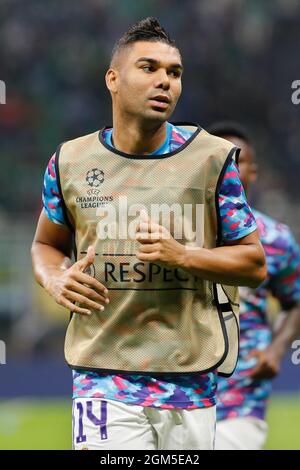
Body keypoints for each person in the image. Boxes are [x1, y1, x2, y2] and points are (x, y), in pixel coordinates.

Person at [31, 18, 266, 450]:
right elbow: (46, 244)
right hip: (102, 374)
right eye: (149, 68)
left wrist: (184, 256)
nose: (165, 82)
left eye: (174, 73)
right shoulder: (70, 161)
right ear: (113, 79)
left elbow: (253, 264)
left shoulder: (211, 158)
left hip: (189, 378)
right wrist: (55, 277)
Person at [208, 121, 300, 450]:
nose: (228, 167)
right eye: (219, 158)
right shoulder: (177, 232)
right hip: (178, 389)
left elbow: (296, 301)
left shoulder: (274, 239)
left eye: (238, 159)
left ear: (253, 172)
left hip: (242, 393)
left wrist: (276, 350)